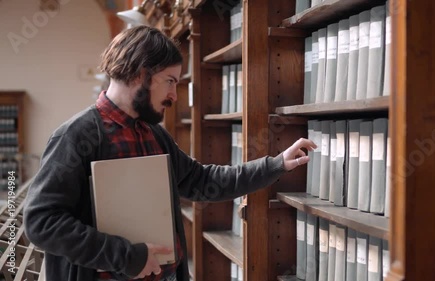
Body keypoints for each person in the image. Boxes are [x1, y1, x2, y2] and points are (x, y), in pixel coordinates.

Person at [24, 26, 316, 281]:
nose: (175, 96)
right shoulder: (75, 136)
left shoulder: (154, 133)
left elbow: (201, 180)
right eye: (171, 81)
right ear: (141, 74)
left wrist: (276, 164)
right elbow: (41, 222)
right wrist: (125, 256)